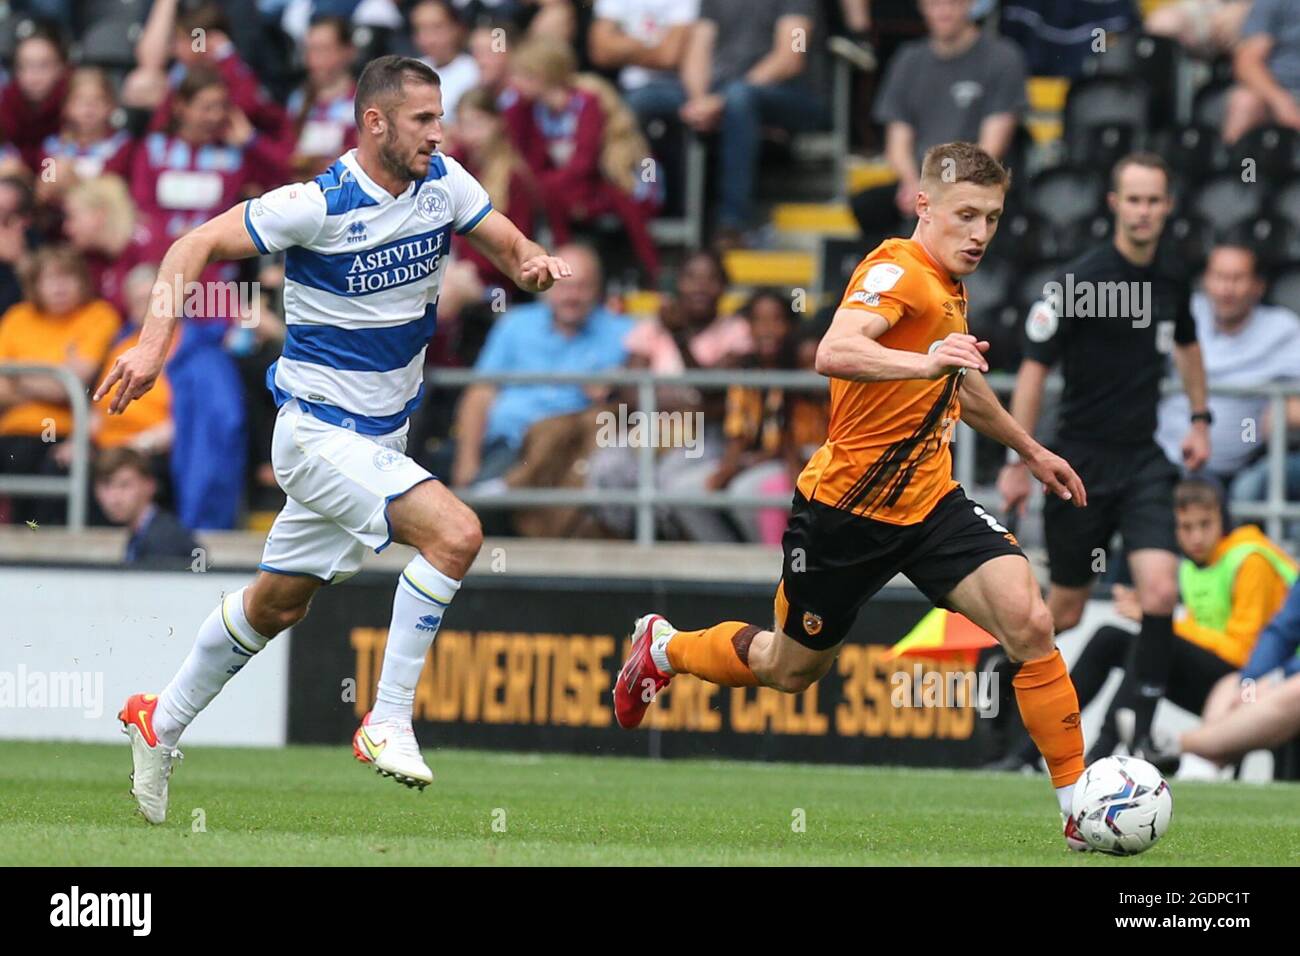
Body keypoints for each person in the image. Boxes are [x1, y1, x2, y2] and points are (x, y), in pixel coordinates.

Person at [96, 55, 573, 824]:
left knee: (277, 604)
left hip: (382, 443)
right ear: (375, 122)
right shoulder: (314, 203)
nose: (438, 132)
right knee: (456, 534)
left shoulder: (445, 183)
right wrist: (154, 346)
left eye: (441, 116)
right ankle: (386, 718)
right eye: (423, 119)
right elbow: (190, 249)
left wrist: (536, 266)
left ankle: (162, 719)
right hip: (317, 435)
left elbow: (512, 251)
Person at [613, 142, 1097, 851]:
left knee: (1029, 620)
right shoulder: (897, 269)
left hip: (931, 505)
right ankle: (665, 648)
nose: (980, 233)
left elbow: (956, 381)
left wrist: (1030, 449)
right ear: (922, 206)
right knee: (789, 669)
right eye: (966, 214)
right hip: (845, 513)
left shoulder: (948, 284)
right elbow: (834, 351)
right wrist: (925, 359)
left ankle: (1077, 806)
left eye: (991, 217)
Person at [999, 152, 1211, 760]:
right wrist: (1021, 456)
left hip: (1143, 459)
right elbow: (1035, 371)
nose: (1144, 211)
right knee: (1059, 612)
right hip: (1080, 463)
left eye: (1155, 200)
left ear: (1167, 207)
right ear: (1115, 204)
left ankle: (1137, 735)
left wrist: (1200, 420)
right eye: (1134, 199)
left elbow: (1189, 347)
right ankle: (1012, 724)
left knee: (1161, 593)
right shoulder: (1080, 281)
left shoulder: (1172, 275)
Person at [990, 478, 1297, 770]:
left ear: (1224, 519)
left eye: (1205, 525)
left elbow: (1246, 652)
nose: (1196, 537)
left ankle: (1101, 756)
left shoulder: (1250, 561)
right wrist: (1161, 627)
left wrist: (1161, 624)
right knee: (1109, 638)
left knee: (1151, 639)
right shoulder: (1190, 567)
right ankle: (1031, 752)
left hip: (1250, 684)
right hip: (1216, 677)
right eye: (1185, 527)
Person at [448, 243, 631, 489]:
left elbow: (649, 387)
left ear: (598, 290)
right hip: (509, 445)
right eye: (564, 285)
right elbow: (480, 394)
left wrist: (620, 381)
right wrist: (467, 462)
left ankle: (502, 489)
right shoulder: (515, 324)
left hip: (575, 454)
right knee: (472, 505)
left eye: (582, 286)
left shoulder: (624, 332)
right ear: (545, 286)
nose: (572, 296)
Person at [848, 0, 1026, 249]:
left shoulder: (1003, 57)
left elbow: (990, 149)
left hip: (977, 183)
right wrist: (913, 184)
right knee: (867, 206)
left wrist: (942, 190)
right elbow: (897, 144)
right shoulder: (908, 60)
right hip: (922, 183)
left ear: (970, 5)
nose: (943, 11)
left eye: (952, 3)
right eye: (934, 3)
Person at [1155, 243, 1300, 491]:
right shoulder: (1183, 312)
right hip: (1164, 457)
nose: (1226, 288)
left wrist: (1283, 412)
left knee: (1252, 484)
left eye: (1237, 279)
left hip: (1241, 458)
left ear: (1258, 286)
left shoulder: (1282, 330)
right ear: (1205, 281)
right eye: (1219, 277)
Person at [678, 0, 828, 239]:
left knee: (740, 100)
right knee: (650, 102)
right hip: (723, 96)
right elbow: (697, 52)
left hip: (793, 96)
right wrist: (699, 101)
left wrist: (720, 101)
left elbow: (791, 57)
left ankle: (733, 222)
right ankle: (661, 223)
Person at [0, 245, 120, 526]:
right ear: (35, 284)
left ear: (82, 281)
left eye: (68, 277)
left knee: (48, 468)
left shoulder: (98, 315)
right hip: (12, 430)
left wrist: (18, 378)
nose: (60, 287)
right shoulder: (17, 318)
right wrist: (55, 376)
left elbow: (72, 385)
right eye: (50, 279)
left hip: (65, 432)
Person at [93, 447, 198, 569]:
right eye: (106, 485)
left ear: (149, 486)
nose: (114, 498)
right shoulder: (146, 532)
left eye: (125, 485)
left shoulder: (163, 538)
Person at [286, 16, 359, 179]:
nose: (314, 59)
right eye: (309, 50)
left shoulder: (362, 101)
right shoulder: (298, 99)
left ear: (348, 51)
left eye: (323, 49)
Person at [1223, 0, 1300, 144]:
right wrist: (1281, 102)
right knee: (1244, 102)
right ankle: (1240, 164)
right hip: (1279, 93)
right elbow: (1247, 63)